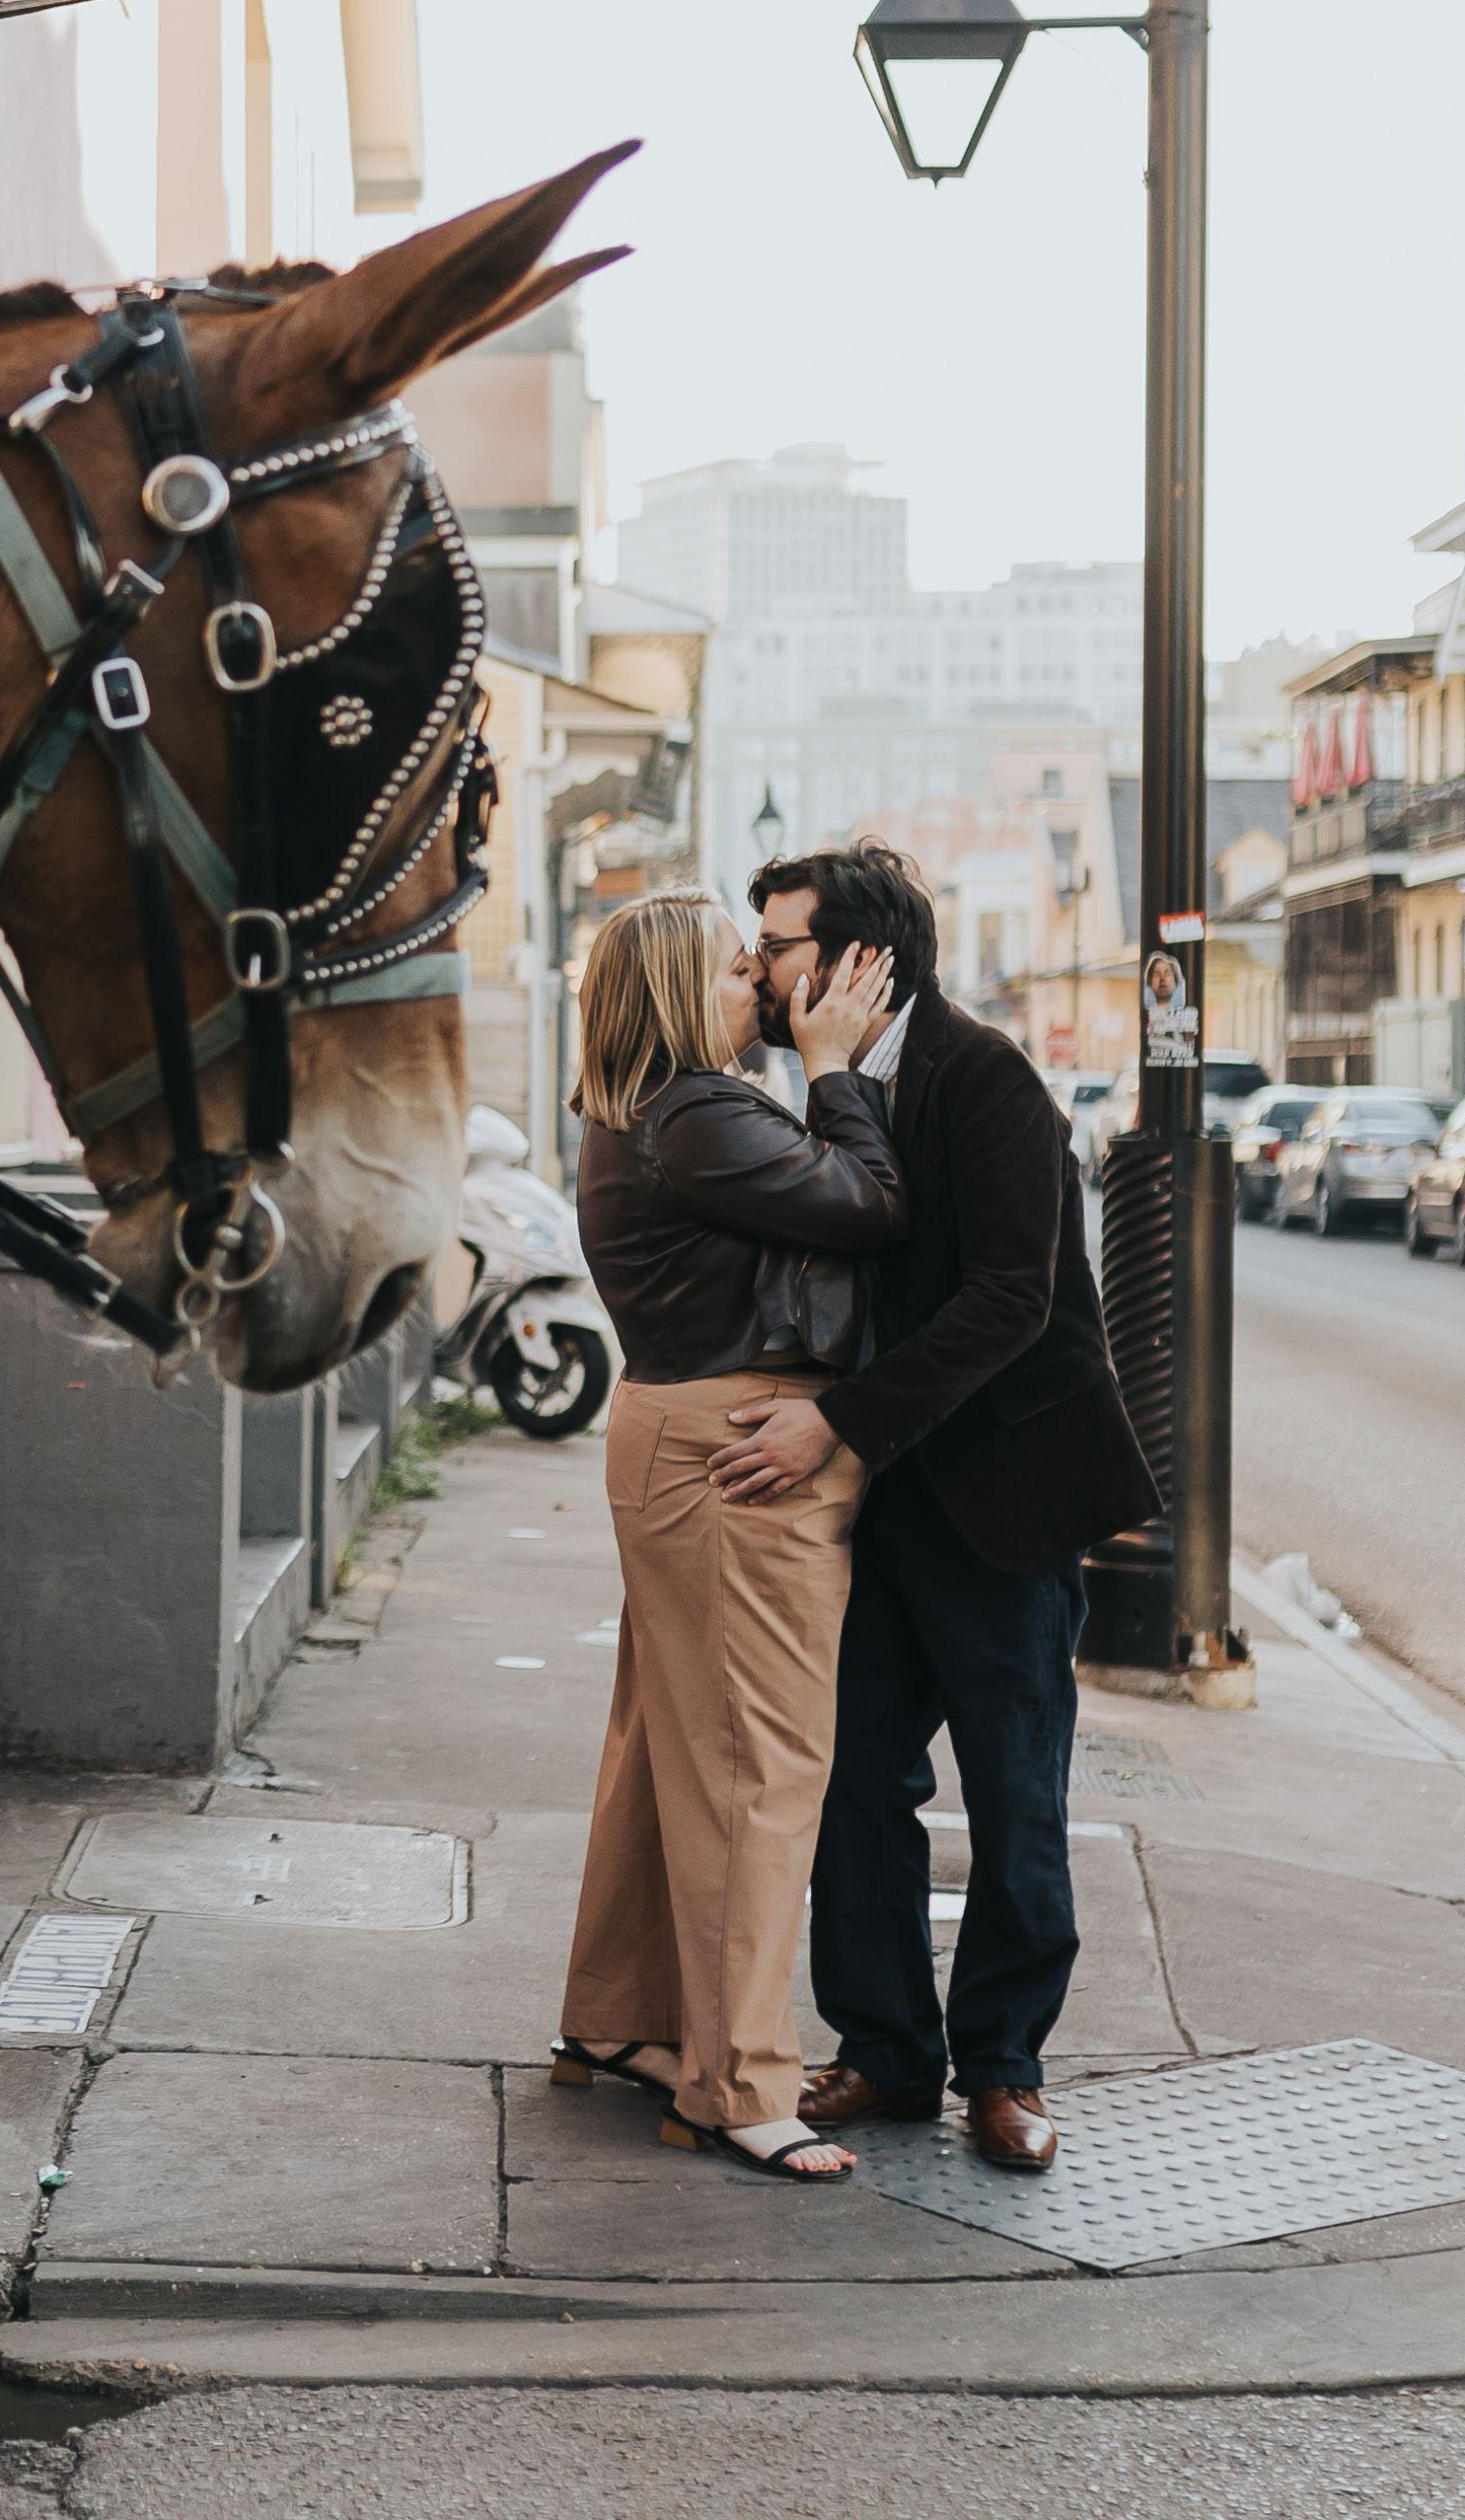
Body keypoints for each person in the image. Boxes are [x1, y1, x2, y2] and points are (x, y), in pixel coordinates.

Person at [709, 844, 1159, 2176]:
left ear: (860, 961)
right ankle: (890, 2053)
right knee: (855, 1781)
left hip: (1004, 1497)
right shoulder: (824, 1081)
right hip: (880, 1498)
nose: (763, 970)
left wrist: (834, 1420)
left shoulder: (987, 1079)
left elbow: (1007, 1300)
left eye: (780, 946)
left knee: (1016, 1790)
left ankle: (1004, 2071)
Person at [552, 887, 904, 2184]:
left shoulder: (644, 1111)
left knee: (664, 1752)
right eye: (731, 967)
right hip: (735, 1457)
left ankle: (620, 2020)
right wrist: (832, 1071)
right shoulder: (695, 1115)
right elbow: (869, 1207)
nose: (757, 981)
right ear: (666, 993)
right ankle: (737, 2084)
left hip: (684, 1438)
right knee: (760, 1767)